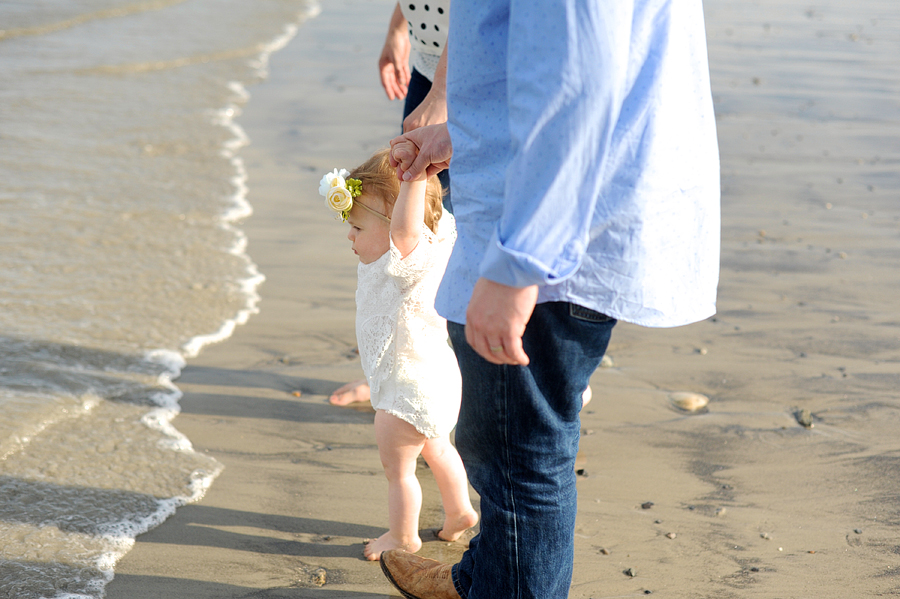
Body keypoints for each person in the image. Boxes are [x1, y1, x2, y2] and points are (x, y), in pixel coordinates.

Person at [379, 1, 721, 598]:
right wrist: (462, 134)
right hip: (547, 207)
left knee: (518, 453)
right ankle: (486, 576)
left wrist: (518, 265)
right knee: (514, 444)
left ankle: (500, 586)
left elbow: (578, 82)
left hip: (546, 233)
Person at [318, 149, 478, 561]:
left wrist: (410, 179)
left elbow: (403, 228)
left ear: (394, 228)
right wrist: (415, 176)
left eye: (356, 226)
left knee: (399, 472)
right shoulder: (440, 233)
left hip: (405, 388)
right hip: (437, 375)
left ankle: (403, 537)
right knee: (438, 448)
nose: (349, 236)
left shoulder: (404, 256)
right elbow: (412, 220)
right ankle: (460, 511)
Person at [330, 1, 450, 407]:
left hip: (471, 70)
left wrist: (445, 90)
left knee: (442, 229)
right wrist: (399, 28)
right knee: (423, 216)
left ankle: (541, 374)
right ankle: (394, 371)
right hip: (427, 61)